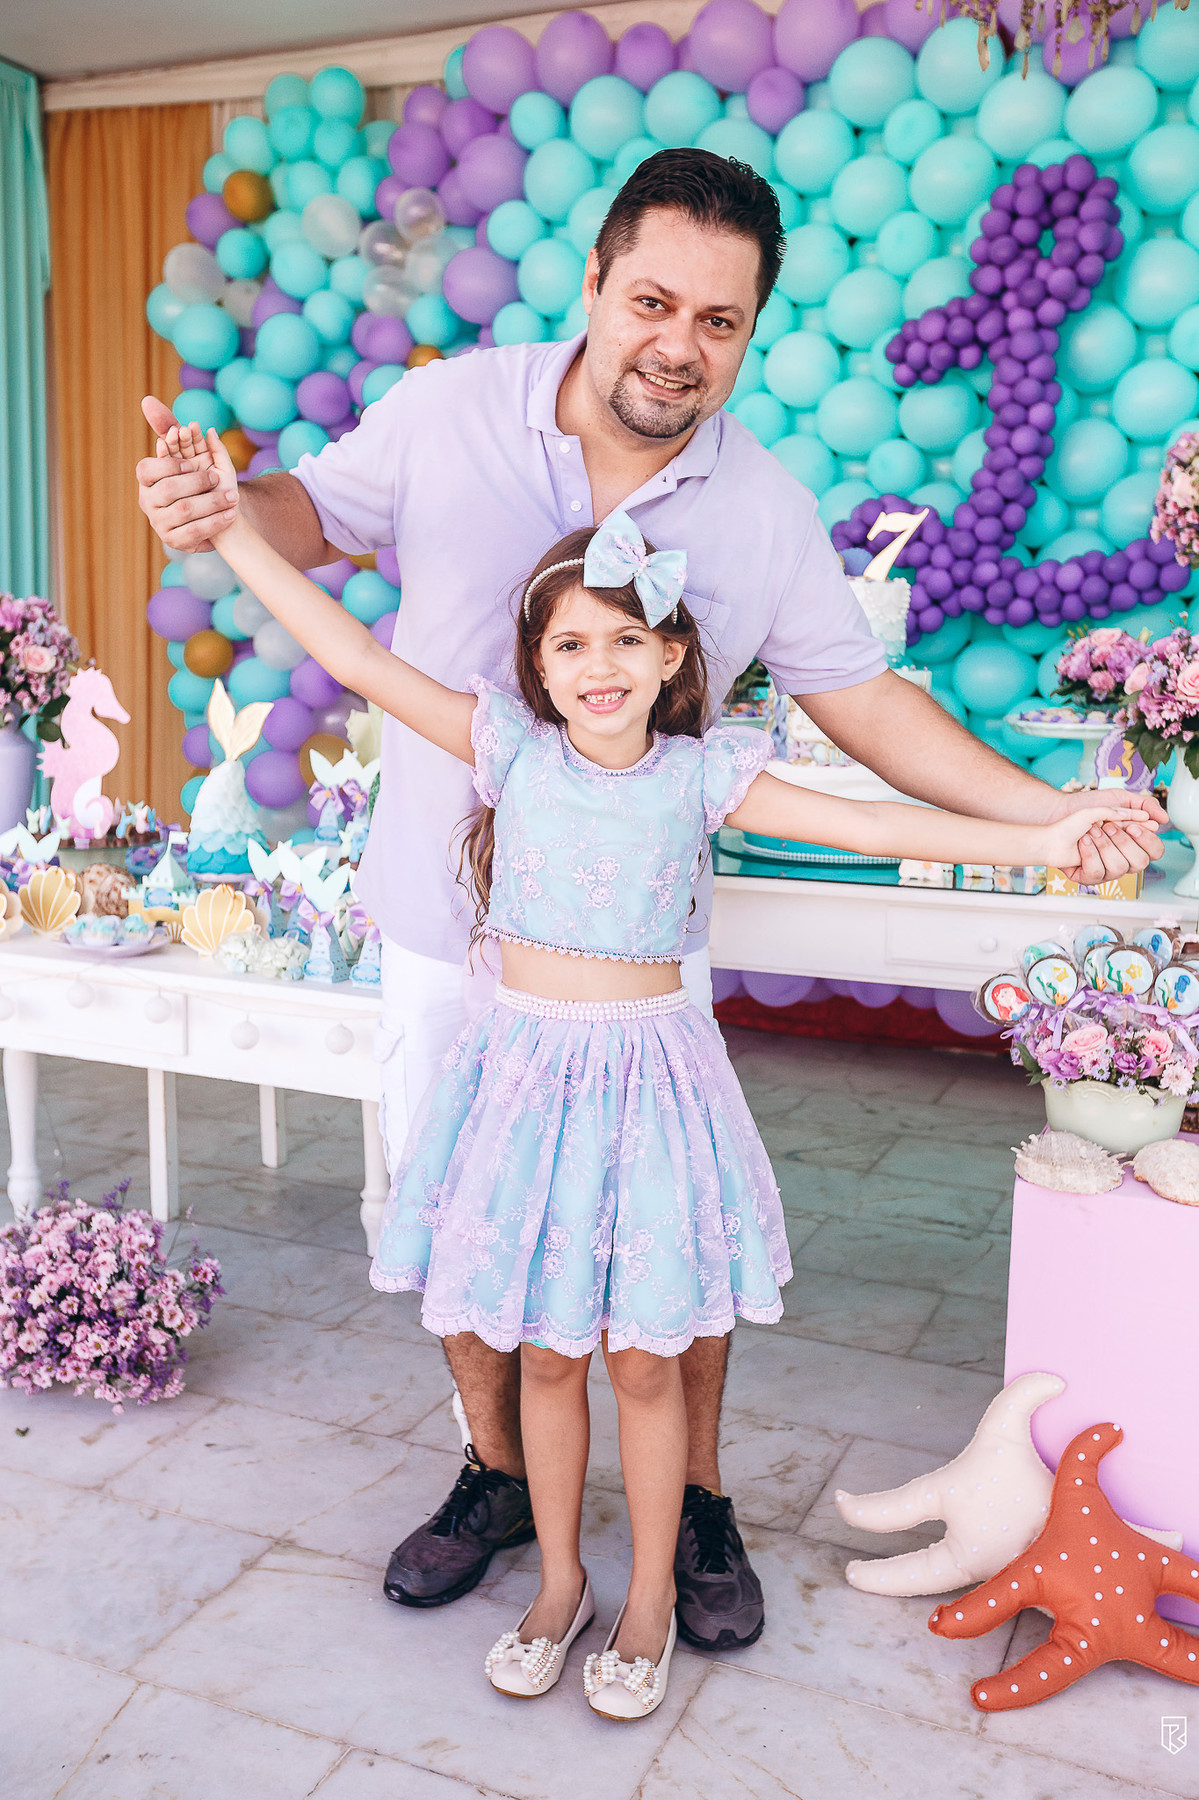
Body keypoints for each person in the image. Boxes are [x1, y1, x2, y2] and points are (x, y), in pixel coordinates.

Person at [135, 149, 1167, 1649]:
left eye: (720, 321)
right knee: (473, 1237)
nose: (679, 344)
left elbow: (869, 707)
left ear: (749, 334)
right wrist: (218, 508)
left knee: (663, 1249)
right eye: (653, 302)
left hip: (638, 964)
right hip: (442, 925)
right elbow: (309, 521)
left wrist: (1047, 815)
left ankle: (693, 1504)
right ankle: (499, 1477)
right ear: (597, 282)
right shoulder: (447, 408)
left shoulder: (762, 508)